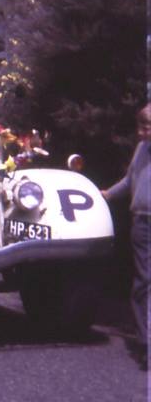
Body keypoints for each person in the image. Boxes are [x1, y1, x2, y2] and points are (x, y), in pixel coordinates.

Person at [103, 102, 151, 370]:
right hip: (142, 224)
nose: (141, 132)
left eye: (146, 127)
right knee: (144, 282)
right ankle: (145, 342)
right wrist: (107, 194)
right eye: (140, 126)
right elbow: (129, 180)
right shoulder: (141, 149)